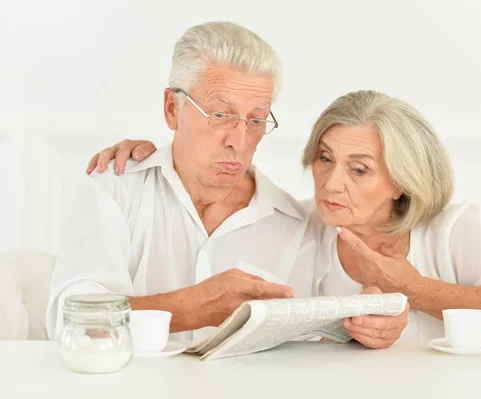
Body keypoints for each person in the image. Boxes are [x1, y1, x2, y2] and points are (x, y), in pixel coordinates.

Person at [46, 22, 408, 349]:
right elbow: (69, 320)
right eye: (220, 115)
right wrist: (192, 308)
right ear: (172, 108)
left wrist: (376, 322)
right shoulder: (116, 187)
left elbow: (331, 334)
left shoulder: (298, 226)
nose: (239, 139)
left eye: (256, 120)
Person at [94, 90, 481, 342]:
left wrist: (410, 288)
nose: (331, 183)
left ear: (402, 181)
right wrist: (157, 160)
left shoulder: (449, 228)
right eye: (325, 158)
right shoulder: (302, 225)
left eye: (359, 169)